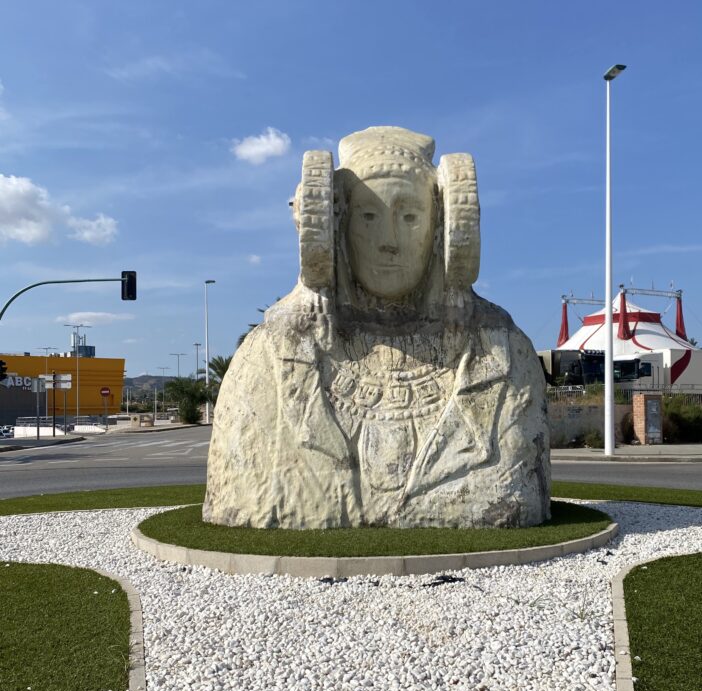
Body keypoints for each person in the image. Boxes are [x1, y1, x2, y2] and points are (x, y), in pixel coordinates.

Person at [204, 126, 550, 529]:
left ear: (445, 228)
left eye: (410, 217)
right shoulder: (271, 355)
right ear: (336, 228)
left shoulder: (501, 357)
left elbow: (517, 494)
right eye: (369, 217)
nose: (389, 240)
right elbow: (246, 495)